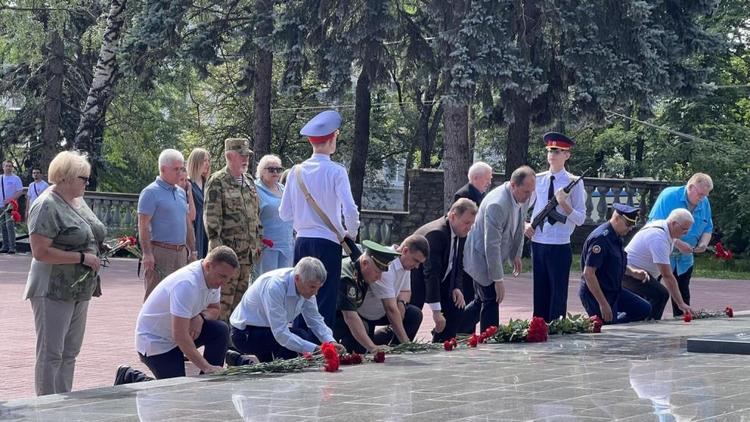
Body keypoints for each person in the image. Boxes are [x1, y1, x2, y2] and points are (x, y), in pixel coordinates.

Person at [24, 151, 105, 395]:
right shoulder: (46, 205)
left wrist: (99, 246)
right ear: (66, 177)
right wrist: (82, 257)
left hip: (79, 287)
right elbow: (40, 252)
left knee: (70, 352)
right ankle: (47, 408)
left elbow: (88, 232)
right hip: (52, 287)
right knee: (51, 353)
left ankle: (64, 403)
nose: (86, 183)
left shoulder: (77, 200)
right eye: (83, 178)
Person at [279, 110, 360, 329]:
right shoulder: (336, 171)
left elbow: (284, 213)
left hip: (302, 240)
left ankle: (300, 346)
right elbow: (350, 210)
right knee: (324, 299)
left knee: (300, 295)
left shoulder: (295, 172)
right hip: (328, 242)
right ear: (333, 137)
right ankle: (321, 349)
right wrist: (350, 233)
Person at [134, 246, 238, 379]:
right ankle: (132, 376)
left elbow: (215, 309)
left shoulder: (213, 279)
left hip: (179, 335)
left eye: (228, 278)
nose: (224, 283)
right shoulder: (187, 284)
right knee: (175, 390)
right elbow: (179, 335)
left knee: (220, 330)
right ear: (208, 266)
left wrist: (200, 317)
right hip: (156, 342)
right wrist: (206, 366)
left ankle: (210, 381)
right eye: (222, 276)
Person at [230, 257, 346, 362]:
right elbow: (281, 334)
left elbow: (316, 321)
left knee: (297, 341)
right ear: (297, 278)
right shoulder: (275, 287)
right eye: (312, 287)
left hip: (268, 330)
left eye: (318, 288)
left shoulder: (305, 283)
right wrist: (316, 349)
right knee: (298, 337)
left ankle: (241, 361)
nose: (315, 293)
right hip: (245, 333)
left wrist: (331, 342)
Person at [463, 166, 535, 331]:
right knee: (492, 298)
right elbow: (491, 244)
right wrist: (498, 280)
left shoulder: (523, 196)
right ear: (513, 185)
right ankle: (491, 341)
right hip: (480, 256)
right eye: (526, 191)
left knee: (481, 301)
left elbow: (518, 227)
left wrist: (515, 254)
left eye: (532, 191)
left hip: (492, 255)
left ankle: (449, 329)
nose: (529, 196)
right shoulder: (498, 204)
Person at [524, 132, 586, 322]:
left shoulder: (574, 182)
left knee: (558, 295)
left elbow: (581, 218)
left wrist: (564, 204)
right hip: (539, 241)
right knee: (540, 292)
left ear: (567, 155)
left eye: (557, 151)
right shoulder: (539, 179)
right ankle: (538, 328)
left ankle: (556, 331)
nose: (552, 154)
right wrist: (525, 224)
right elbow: (521, 206)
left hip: (560, 244)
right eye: (550, 150)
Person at [204, 138, 263, 322]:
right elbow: (212, 221)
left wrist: (258, 243)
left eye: (247, 155)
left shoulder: (249, 181)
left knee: (239, 306)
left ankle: (231, 345)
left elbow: (255, 215)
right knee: (222, 304)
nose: (246, 159)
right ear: (230, 156)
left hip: (247, 257)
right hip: (227, 257)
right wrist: (218, 255)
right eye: (241, 154)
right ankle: (219, 345)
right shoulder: (218, 181)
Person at [410, 198, 478, 342]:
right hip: (416, 280)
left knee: (457, 307)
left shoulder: (459, 232)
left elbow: (458, 263)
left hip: (441, 279)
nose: (469, 228)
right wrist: (436, 312)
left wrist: (456, 287)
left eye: (472, 224)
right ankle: (391, 342)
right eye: (466, 223)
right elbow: (431, 273)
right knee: (412, 316)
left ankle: (442, 344)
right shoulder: (437, 234)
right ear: (453, 216)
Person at [648, 173, 713, 316]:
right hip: (660, 255)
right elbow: (654, 226)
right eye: (700, 194)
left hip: (684, 259)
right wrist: (677, 243)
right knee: (653, 295)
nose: (702, 199)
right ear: (690, 187)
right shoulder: (669, 196)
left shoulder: (704, 202)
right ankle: (646, 324)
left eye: (706, 195)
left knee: (683, 296)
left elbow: (708, 227)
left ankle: (682, 329)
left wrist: (703, 243)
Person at [137, 149, 196, 300]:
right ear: (163, 169)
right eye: (176, 169)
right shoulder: (150, 192)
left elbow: (187, 223)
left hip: (181, 253)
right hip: (161, 253)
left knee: (178, 299)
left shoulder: (181, 192)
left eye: (181, 168)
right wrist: (147, 253)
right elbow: (143, 225)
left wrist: (192, 250)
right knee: (155, 298)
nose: (180, 172)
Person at [578, 204, 652, 324]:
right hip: (596, 294)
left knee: (643, 309)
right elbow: (589, 274)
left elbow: (614, 263)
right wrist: (603, 304)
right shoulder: (601, 239)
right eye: (628, 224)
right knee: (607, 325)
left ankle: (613, 320)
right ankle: (602, 322)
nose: (631, 228)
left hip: (613, 291)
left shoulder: (616, 236)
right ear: (617, 218)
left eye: (633, 225)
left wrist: (632, 272)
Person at [353, 235, 429, 347]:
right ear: (405, 251)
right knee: (361, 350)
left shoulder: (405, 263)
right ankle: (397, 343)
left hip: (383, 312)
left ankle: (396, 348)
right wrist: (407, 343)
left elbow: (405, 291)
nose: (417, 266)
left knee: (414, 314)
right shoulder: (386, 261)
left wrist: (401, 304)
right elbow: (390, 309)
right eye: (416, 260)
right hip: (365, 315)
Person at [622, 208, 695, 320]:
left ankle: (643, 321)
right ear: (674, 223)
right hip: (630, 273)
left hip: (641, 273)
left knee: (643, 304)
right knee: (661, 295)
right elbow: (667, 276)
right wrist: (681, 303)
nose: (686, 233)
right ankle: (651, 325)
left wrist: (679, 244)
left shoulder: (665, 226)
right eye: (684, 230)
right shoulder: (658, 238)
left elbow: (673, 239)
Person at [333, 240, 401, 353]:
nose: (379, 277)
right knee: (360, 341)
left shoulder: (361, 267)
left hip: (343, 319)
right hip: (330, 322)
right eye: (377, 272)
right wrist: (373, 348)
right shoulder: (348, 278)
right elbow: (350, 317)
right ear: (365, 263)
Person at [255, 154, 294, 275]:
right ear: (261, 171)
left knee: (284, 283)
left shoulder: (283, 188)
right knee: (266, 284)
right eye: (271, 169)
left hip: (287, 245)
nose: (276, 172)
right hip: (267, 247)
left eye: (279, 169)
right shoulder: (254, 189)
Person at [186, 148, 211, 258]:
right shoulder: (187, 183)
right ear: (196, 162)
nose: (207, 164)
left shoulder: (208, 183)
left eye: (208, 161)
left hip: (207, 226)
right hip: (194, 226)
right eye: (204, 161)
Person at [1, 159, 24, 254]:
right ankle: (5, 246)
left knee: (9, 225)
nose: (8, 168)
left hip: (10, 205)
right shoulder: (0, 178)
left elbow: (20, 191)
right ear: (3, 167)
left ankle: (12, 247)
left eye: (10, 166)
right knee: (2, 226)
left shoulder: (16, 178)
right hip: (1, 205)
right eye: (6, 166)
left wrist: (11, 200)